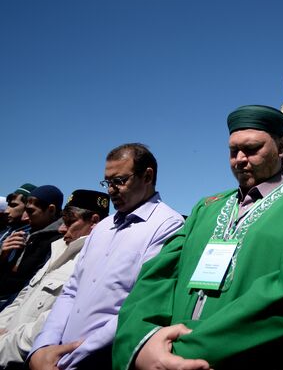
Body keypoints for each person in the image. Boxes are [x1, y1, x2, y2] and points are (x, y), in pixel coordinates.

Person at [113, 105, 283, 370]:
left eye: (252, 148)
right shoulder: (207, 207)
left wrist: (181, 352)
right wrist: (143, 343)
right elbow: (157, 278)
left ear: (281, 146)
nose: (240, 159)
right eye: (233, 151)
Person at [29, 143, 184, 370]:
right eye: (108, 182)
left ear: (147, 176)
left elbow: (138, 305)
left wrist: (70, 359)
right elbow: (72, 290)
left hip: (100, 360)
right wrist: (43, 346)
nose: (111, 190)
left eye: (119, 181)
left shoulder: (167, 225)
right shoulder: (102, 228)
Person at [0, 189, 110, 369]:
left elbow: (53, 323)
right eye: (62, 220)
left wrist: (4, 344)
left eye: (70, 222)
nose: (61, 228)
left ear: (94, 222)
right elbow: (23, 297)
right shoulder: (59, 249)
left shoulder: (95, 262)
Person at [0, 185, 63, 310]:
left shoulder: (57, 241)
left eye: (30, 211)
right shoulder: (26, 234)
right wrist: (3, 255)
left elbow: (30, 288)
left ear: (51, 210)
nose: (25, 216)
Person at [0, 184, 37, 249]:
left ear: (28, 207)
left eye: (13, 205)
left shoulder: (30, 237)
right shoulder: (7, 231)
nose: (6, 211)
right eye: (8, 205)